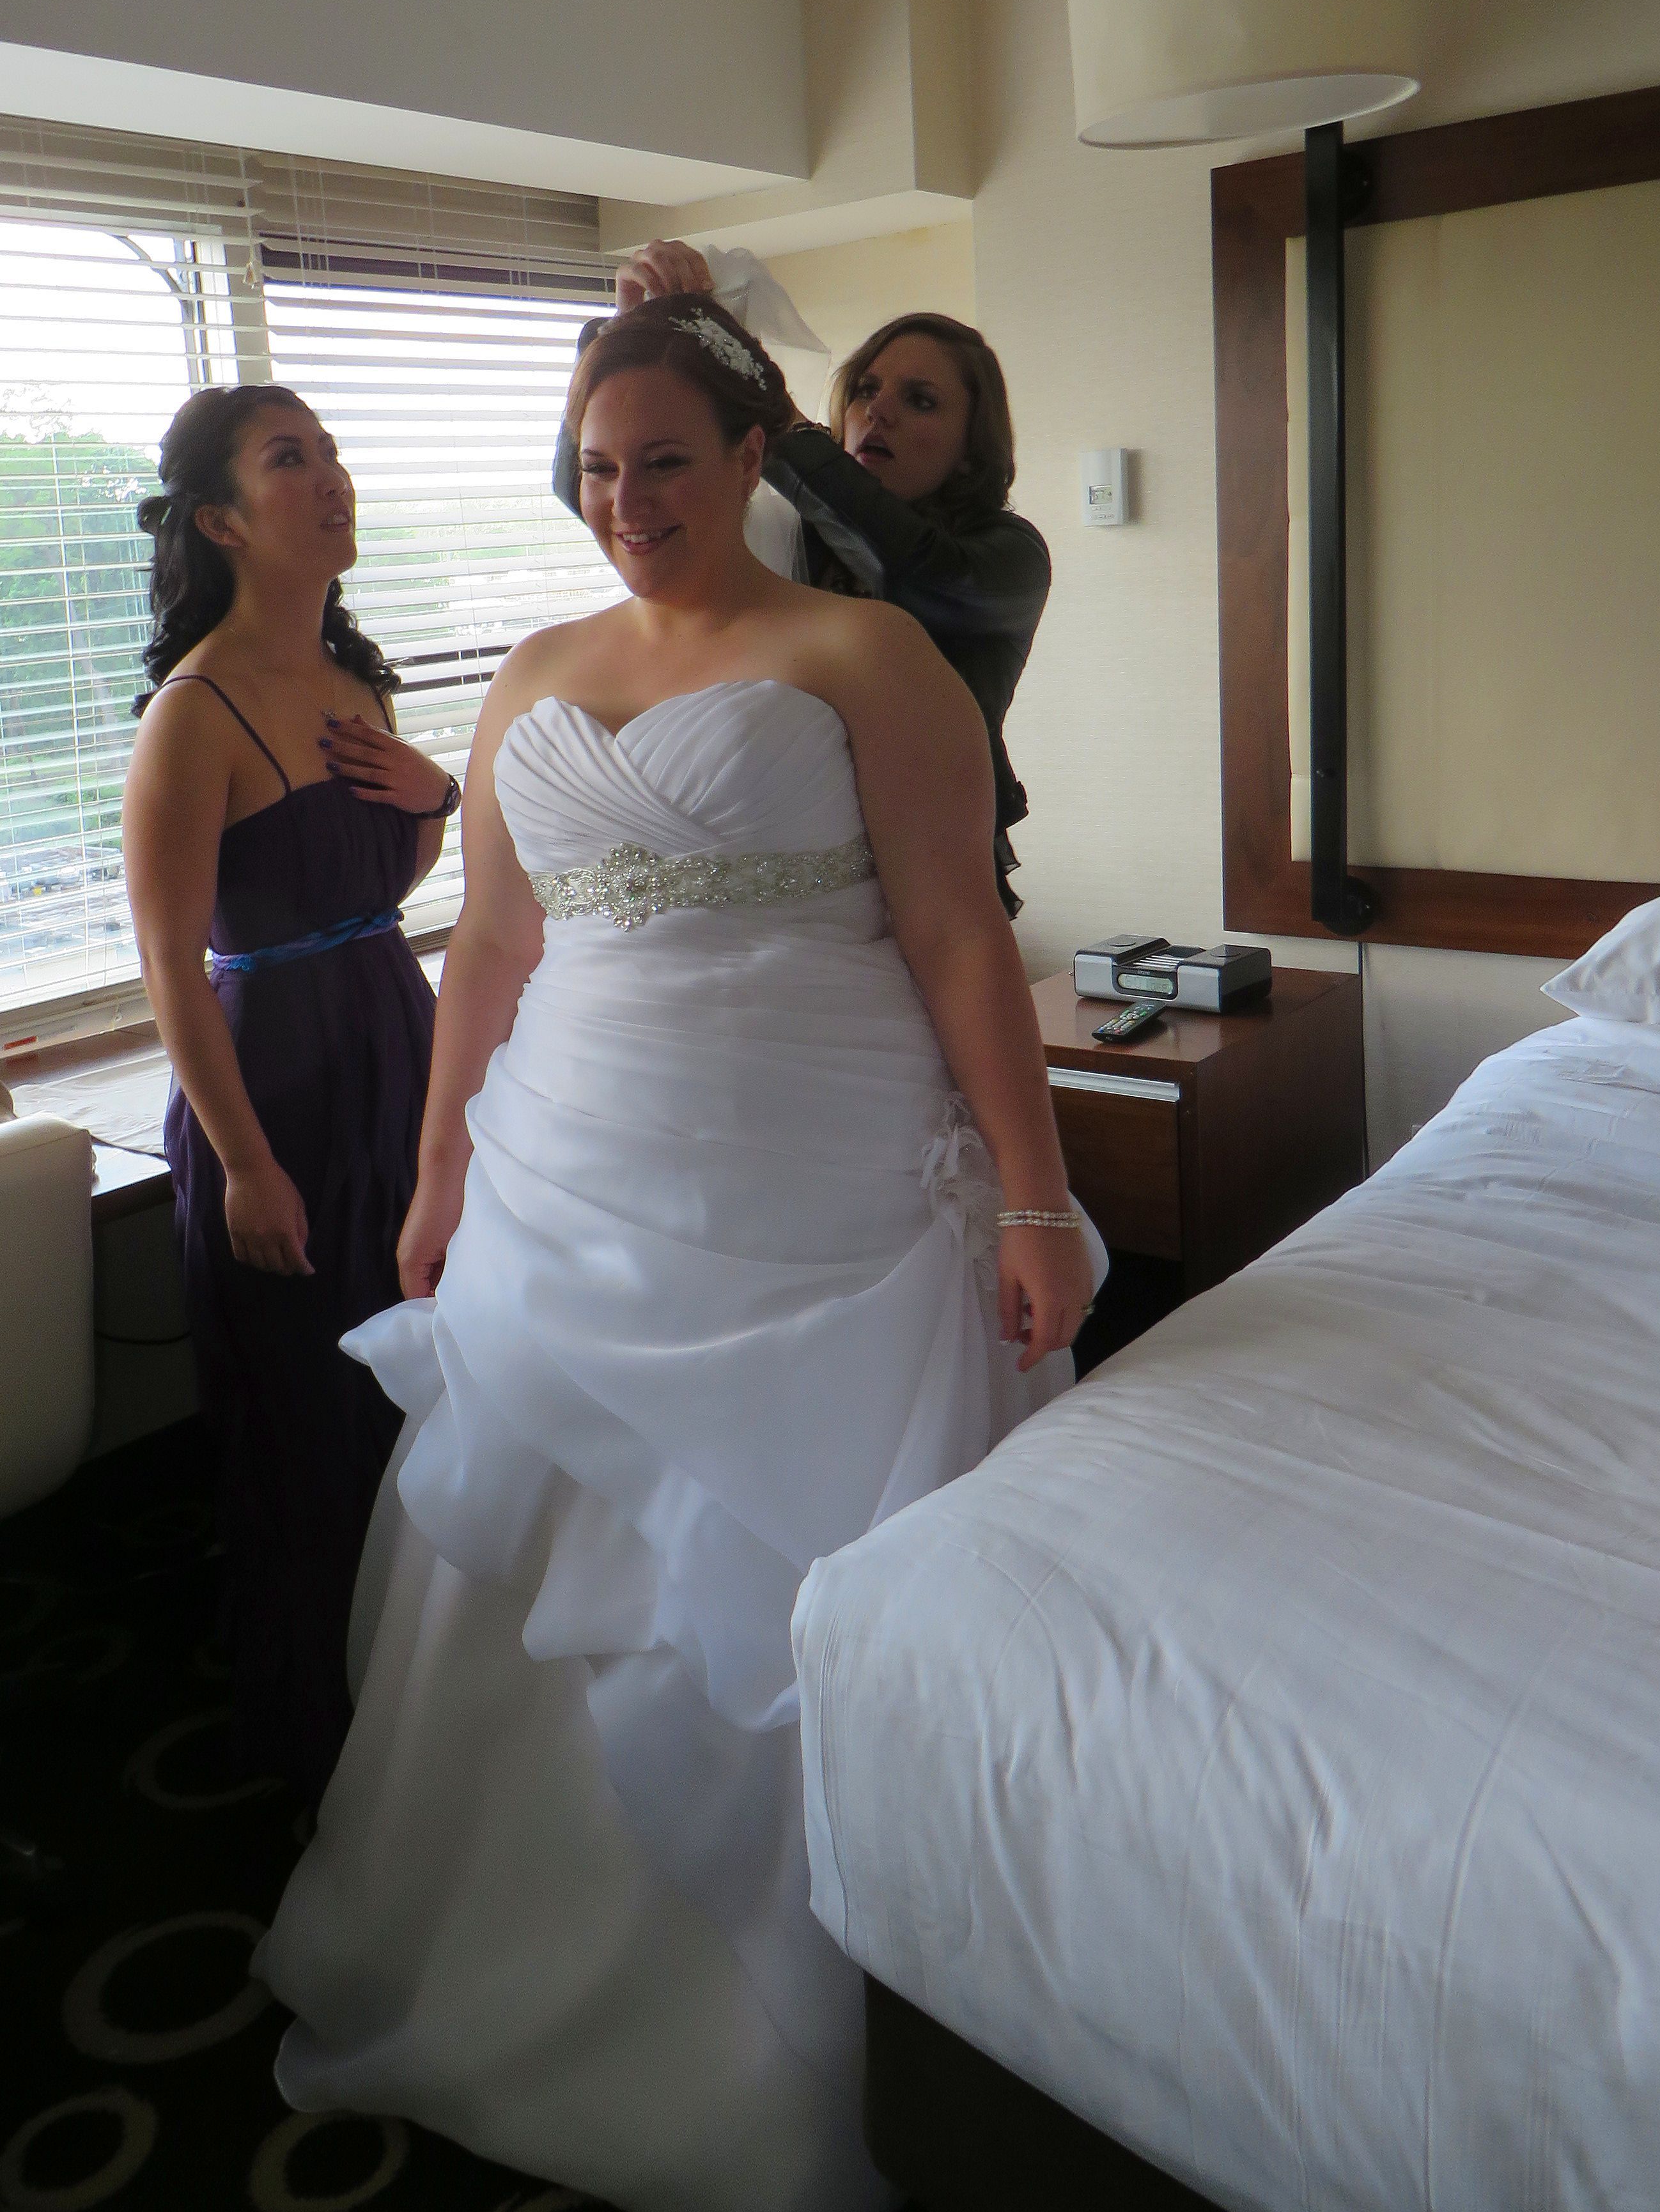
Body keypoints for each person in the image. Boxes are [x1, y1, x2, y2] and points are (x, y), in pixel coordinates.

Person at [259, 298, 1105, 2210]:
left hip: (825, 1183)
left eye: (659, 460)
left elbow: (956, 933)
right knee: (544, 1557)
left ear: (745, 457)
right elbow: (491, 941)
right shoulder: (535, 670)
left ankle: (807, 2020)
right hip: (568, 1171)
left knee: (809, 1586)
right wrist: (438, 1171)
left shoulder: (865, 653)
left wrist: (1034, 1193)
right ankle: (503, 1962)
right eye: (592, 468)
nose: (624, 499)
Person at [122, 383, 459, 1804]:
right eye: (289, 459)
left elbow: (378, 888)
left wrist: (436, 797)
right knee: (309, 1422)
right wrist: (248, 1163)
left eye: (330, 451)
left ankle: (432, 1709)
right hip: (276, 1085)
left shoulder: (353, 679)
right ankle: (325, 1751)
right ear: (220, 520)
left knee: (423, 1386)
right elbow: (170, 963)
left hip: (396, 1040)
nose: (331, 477)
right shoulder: (193, 711)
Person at [555, 240, 1050, 915]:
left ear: (971, 448)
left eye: (920, 400)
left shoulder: (1009, 556)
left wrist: (775, 411)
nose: (877, 412)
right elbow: (613, 505)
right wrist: (621, 340)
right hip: (790, 867)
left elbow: (908, 569)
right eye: (866, 390)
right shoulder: (789, 527)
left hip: (933, 873)